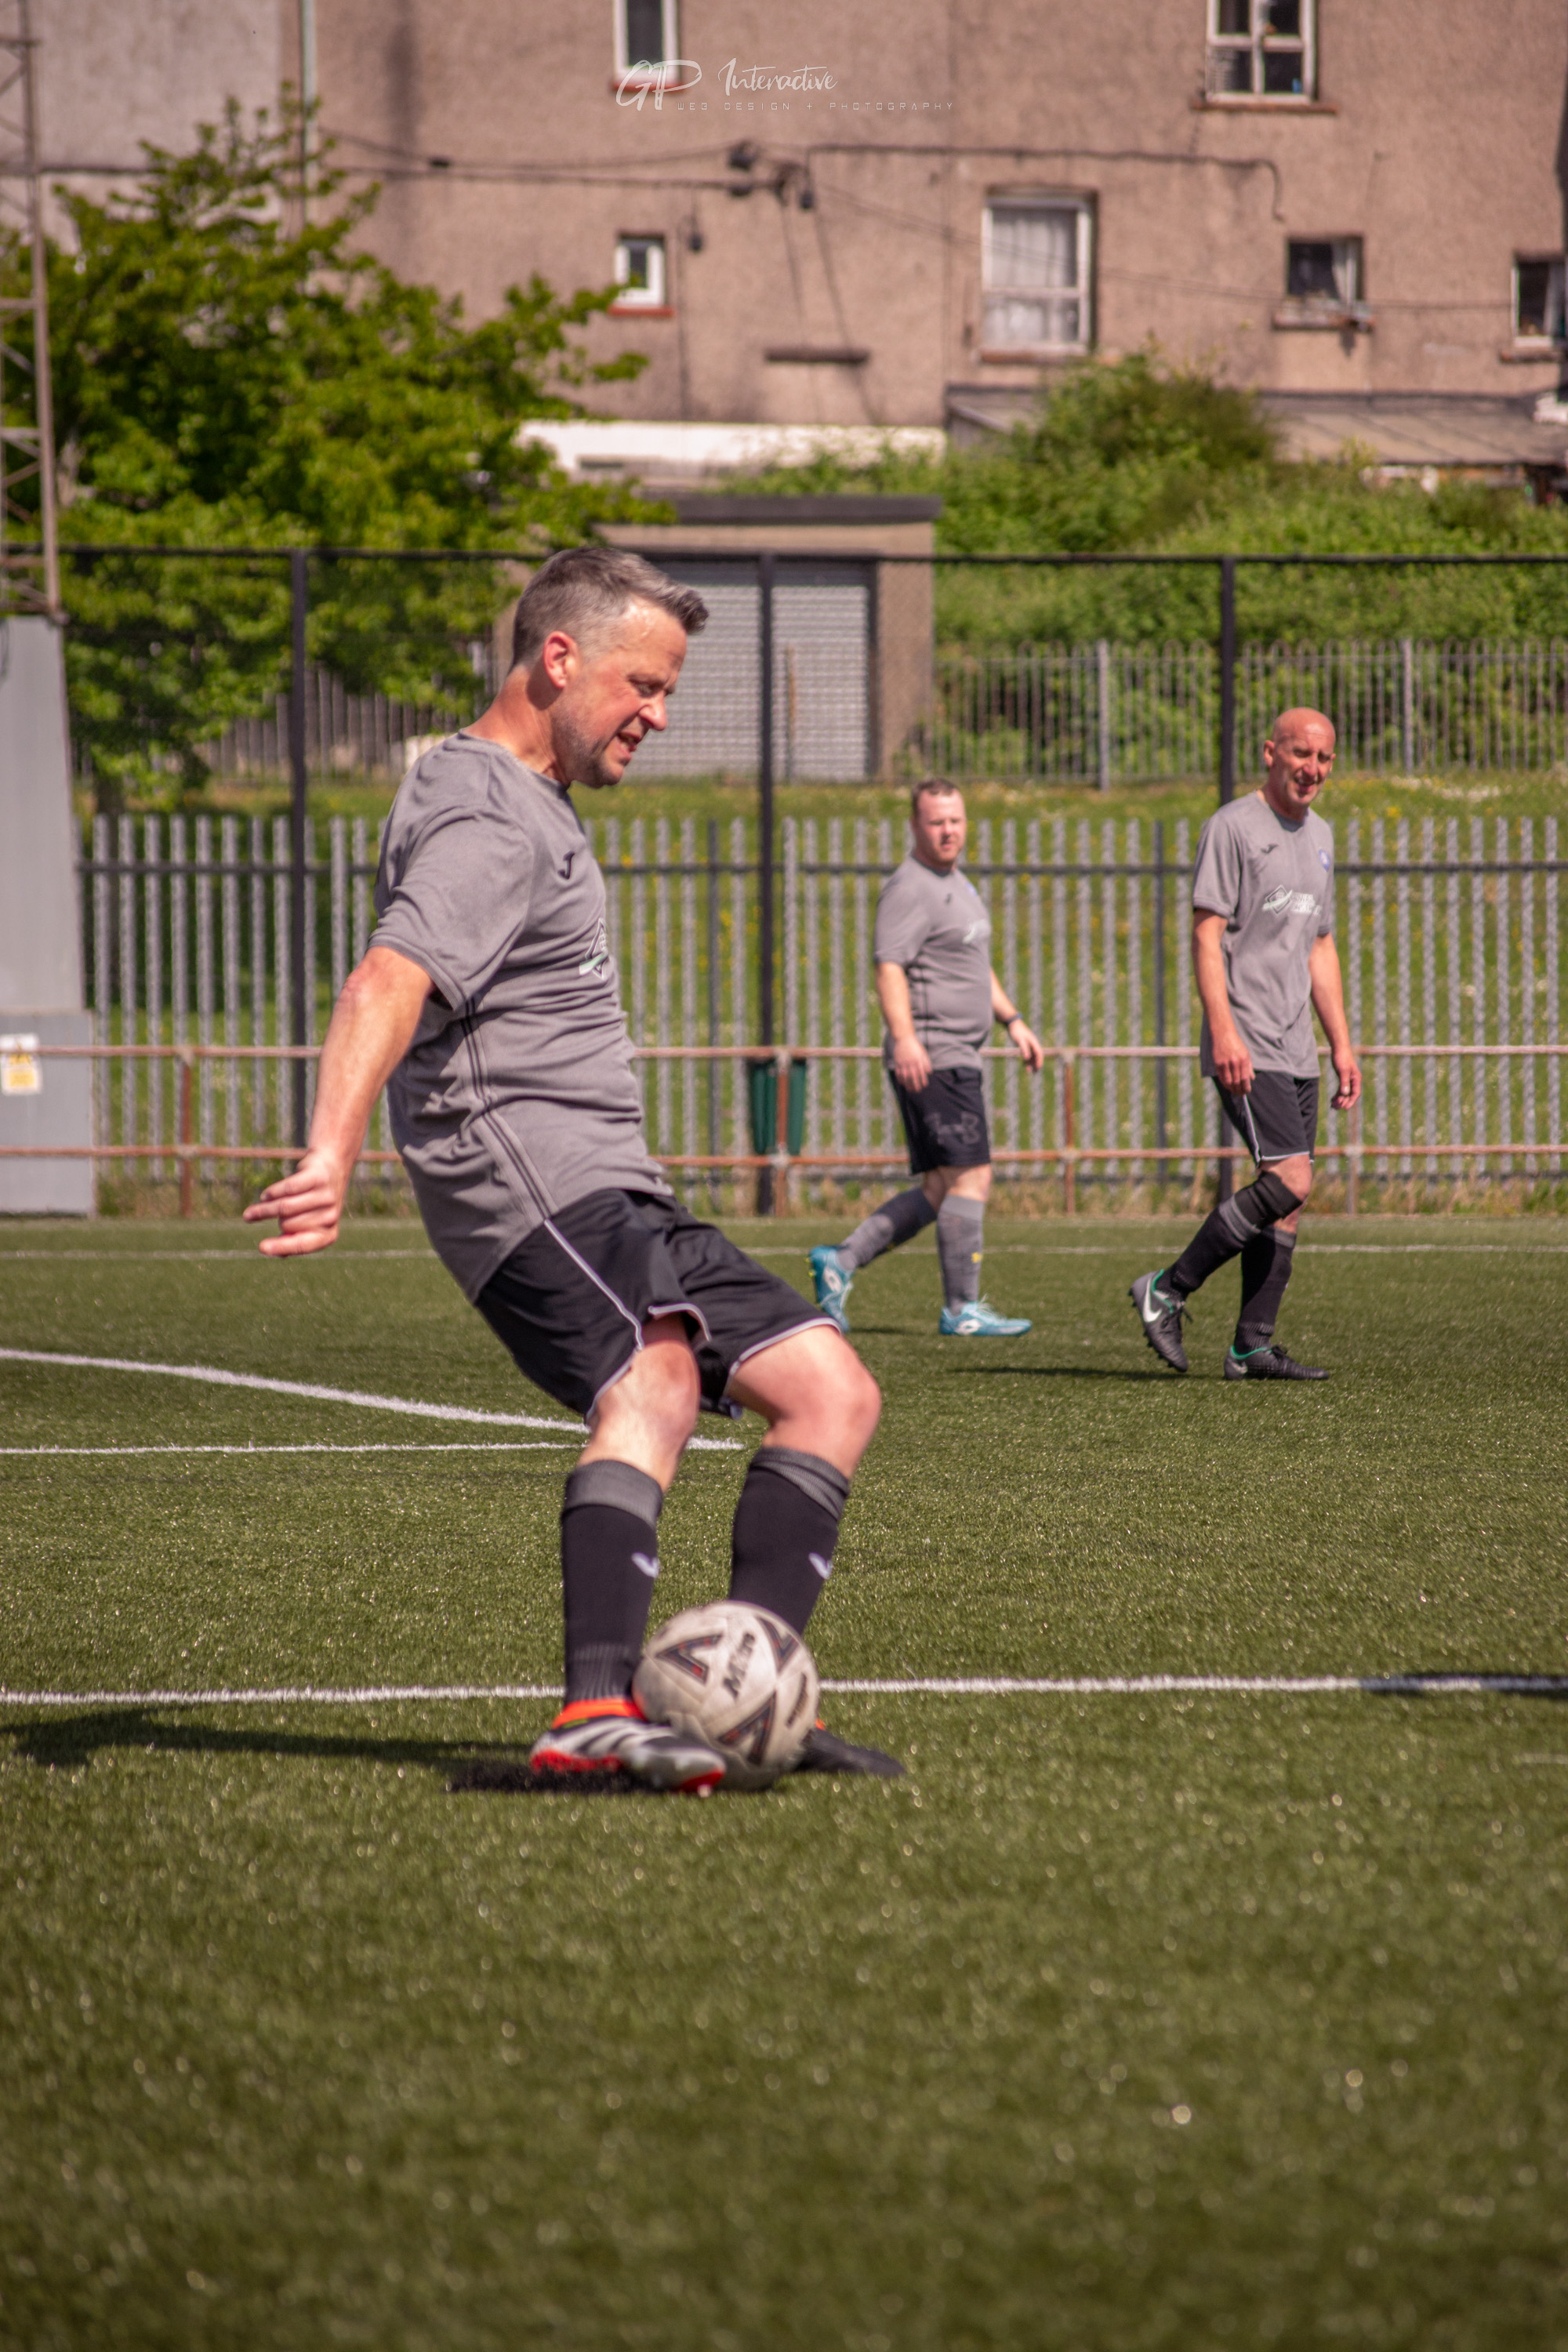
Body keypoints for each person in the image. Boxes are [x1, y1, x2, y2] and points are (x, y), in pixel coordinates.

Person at [245, 546, 898, 1791]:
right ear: (559, 658)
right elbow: (390, 976)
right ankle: (594, 1709)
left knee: (834, 1394)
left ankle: (744, 1698)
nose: (657, 713)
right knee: (649, 1383)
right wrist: (329, 1148)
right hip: (532, 1184)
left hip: (616, 1187)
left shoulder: (518, 799)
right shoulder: (489, 807)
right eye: (644, 683)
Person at [1129, 706, 1361, 1381]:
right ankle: (1165, 1290)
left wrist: (1341, 1044)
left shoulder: (1320, 835)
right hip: (1248, 1036)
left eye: (1323, 758)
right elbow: (1206, 936)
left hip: (1297, 1044)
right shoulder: (1231, 827)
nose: (1312, 768)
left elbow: (1320, 943)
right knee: (1291, 1177)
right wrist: (1223, 1028)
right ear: (1269, 753)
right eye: (1300, 753)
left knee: (1291, 1194)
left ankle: (1251, 1345)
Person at [810, 778, 1045, 1338]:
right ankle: (961, 1309)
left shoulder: (957, 883)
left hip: (958, 1052)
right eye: (937, 822)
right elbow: (889, 965)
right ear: (915, 827)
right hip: (934, 1055)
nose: (949, 831)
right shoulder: (909, 887)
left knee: (942, 1189)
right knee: (972, 1179)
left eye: (956, 821)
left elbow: (972, 965)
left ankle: (840, 1262)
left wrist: (1013, 1021)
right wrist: (906, 1037)